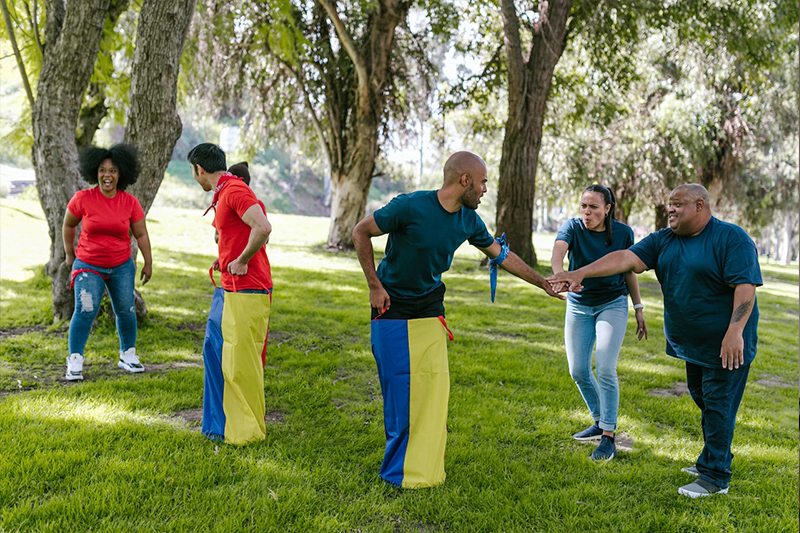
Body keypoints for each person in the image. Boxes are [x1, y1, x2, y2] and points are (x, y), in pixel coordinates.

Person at [353, 151, 564, 489]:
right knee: (399, 391)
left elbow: (502, 256)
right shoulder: (409, 206)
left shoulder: (469, 219)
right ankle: (398, 471)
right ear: (464, 180)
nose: (484, 189)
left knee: (433, 389)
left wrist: (543, 283)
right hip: (390, 303)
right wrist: (374, 286)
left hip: (430, 306)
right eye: (481, 182)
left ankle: (426, 469)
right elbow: (361, 232)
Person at [548, 184, 761, 498]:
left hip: (726, 344)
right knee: (705, 401)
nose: (670, 210)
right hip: (694, 345)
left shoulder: (730, 238)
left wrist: (735, 332)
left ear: (701, 206)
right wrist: (581, 273)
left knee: (718, 406)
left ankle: (715, 477)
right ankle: (712, 459)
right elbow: (624, 258)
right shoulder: (664, 239)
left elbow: (745, 288)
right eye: (669, 204)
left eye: (678, 204)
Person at [550, 185, 648, 461]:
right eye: (583, 205)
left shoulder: (623, 233)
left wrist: (638, 307)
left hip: (612, 303)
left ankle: (608, 436)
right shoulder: (572, 227)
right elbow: (558, 254)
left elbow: (628, 269)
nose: (586, 212)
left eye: (593, 207)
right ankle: (598, 420)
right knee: (578, 370)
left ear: (607, 209)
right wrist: (563, 277)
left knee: (605, 366)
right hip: (579, 305)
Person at [189, 143, 273, 445]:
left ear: (199, 169)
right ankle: (218, 426)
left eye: (194, 173)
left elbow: (262, 228)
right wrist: (226, 256)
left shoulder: (235, 191)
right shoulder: (224, 192)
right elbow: (236, 232)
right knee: (214, 352)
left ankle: (246, 433)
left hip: (248, 288)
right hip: (228, 287)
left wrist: (242, 259)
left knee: (240, 361)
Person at [63, 144, 152, 381]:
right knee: (85, 310)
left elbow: (141, 234)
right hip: (88, 265)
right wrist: (69, 255)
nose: (107, 175)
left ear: (120, 173)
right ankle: (75, 359)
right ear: (95, 172)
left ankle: (128, 355)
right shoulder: (83, 199)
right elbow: (69, 225)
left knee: (126, 309)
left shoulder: (130, 202)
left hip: (121, 265)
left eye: (112, 171)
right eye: (102, 170)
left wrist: (148, 261)